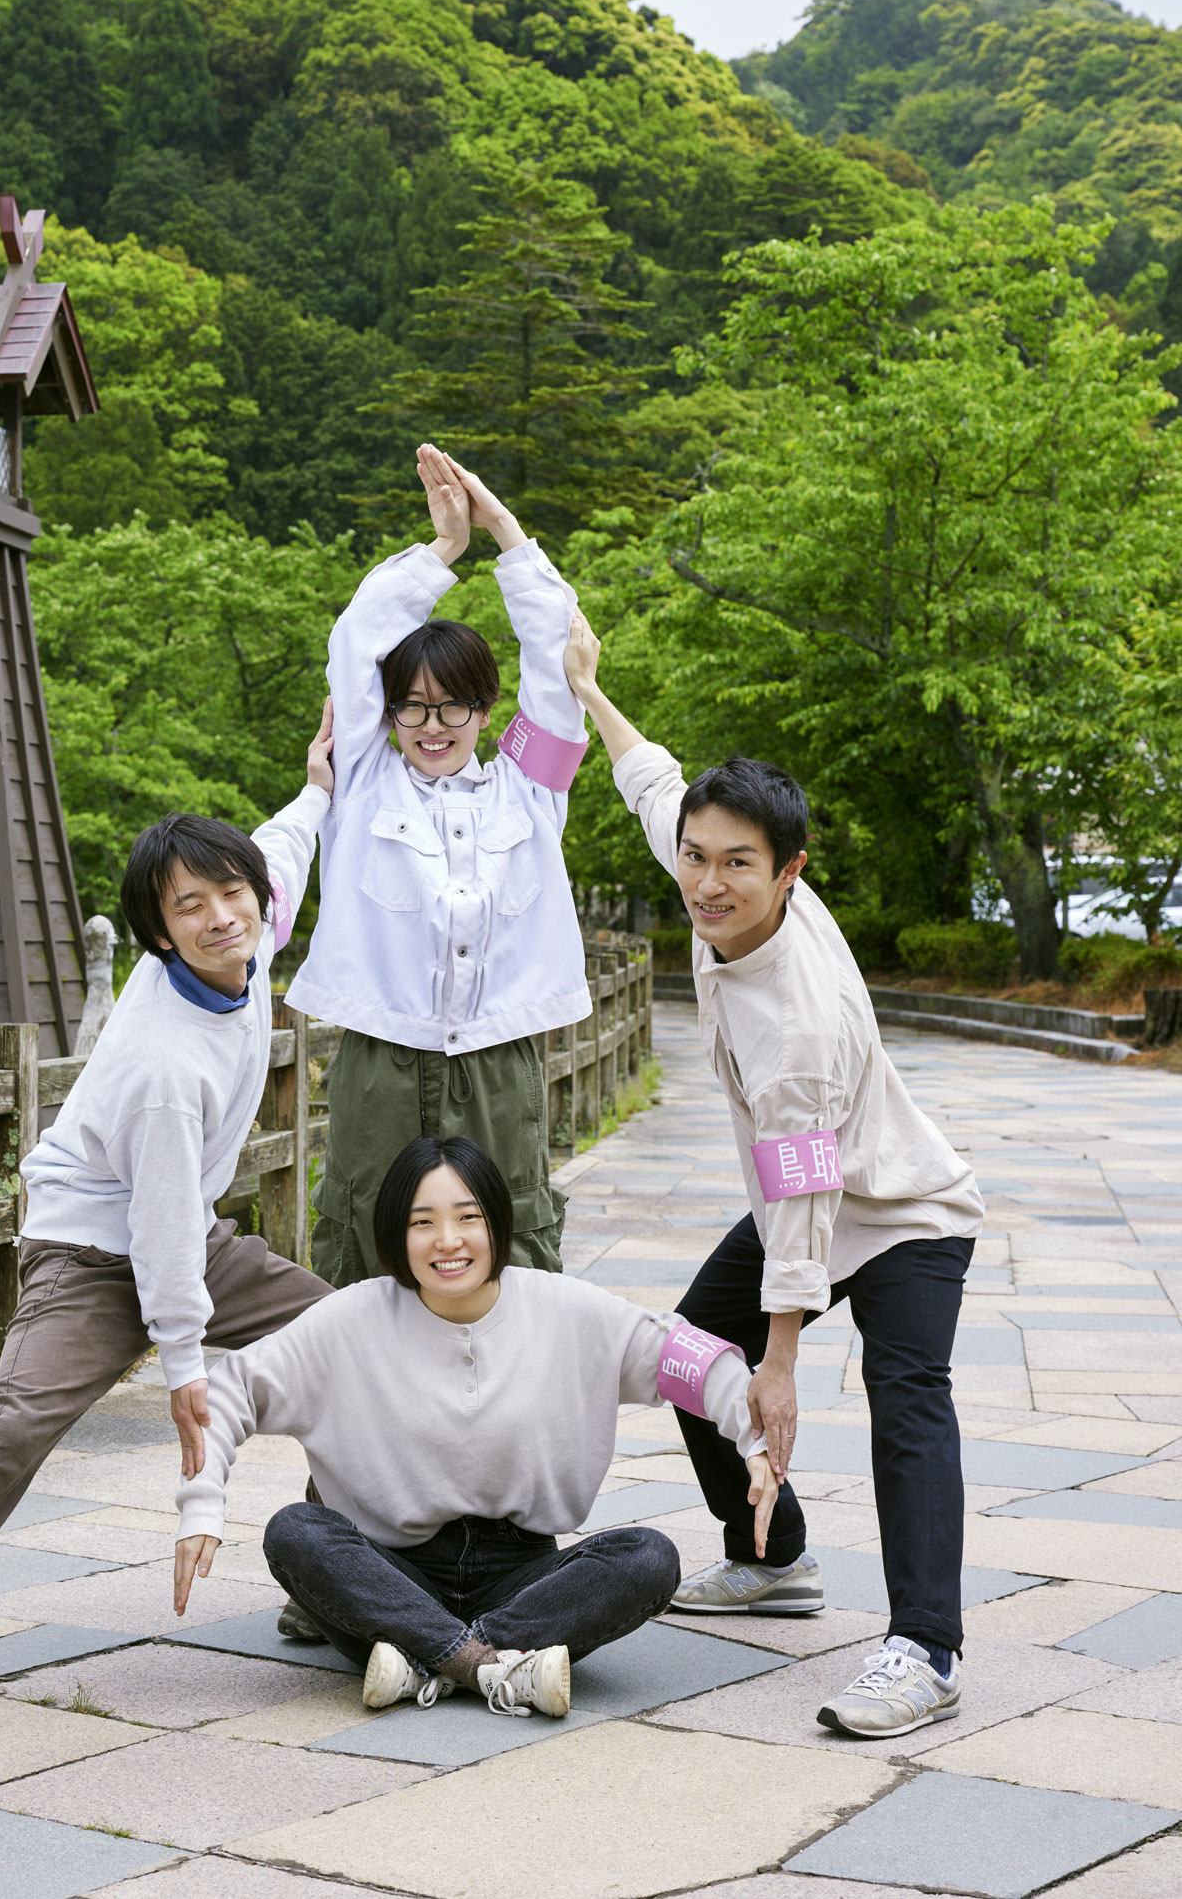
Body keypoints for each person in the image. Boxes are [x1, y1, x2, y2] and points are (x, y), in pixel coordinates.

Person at [0, 715, 337, 1762]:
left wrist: (320, 784)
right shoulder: (163, 1068)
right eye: (191, 907)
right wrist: (185, 1371)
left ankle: (329, 1575)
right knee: (14, 1429)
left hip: (185, 1231)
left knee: (353, 1342)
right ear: (158, 932)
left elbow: (286, 844)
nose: (222, 916)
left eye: (234, 895)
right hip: (95, 1252)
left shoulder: (250, 922)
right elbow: (159, 1238)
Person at [563, 614, 985, 1737]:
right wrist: (590, 691)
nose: (706, 883)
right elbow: (653, 782)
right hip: (805, 1198)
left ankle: (925, 1648)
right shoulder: (712, 869)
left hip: (899, 1210)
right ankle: (776, 1558)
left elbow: (803, 1191)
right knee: (693, 1358)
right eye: (697, 857)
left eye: (735, 865)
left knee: (907, 1403)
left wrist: (784, 1358)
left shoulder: (799, 1017)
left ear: (789, 873)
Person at [173, 1136, 776, 1718]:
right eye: (422, 1222)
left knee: (648, 1557)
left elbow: (687, 1356)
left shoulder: (562, 1309)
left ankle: (429, 1661)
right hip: (393, 1574)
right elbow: (228, 1393)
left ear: (496, 1224)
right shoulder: (350, 1320)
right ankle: (499, 1668)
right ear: (395, 1233)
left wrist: (753, 1441)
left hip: (524, 1578)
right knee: (295, 1532)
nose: (448, 1241)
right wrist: (202, 1505)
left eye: (467, 1217)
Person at [287, 442, 591, 1286]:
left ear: (484, 708)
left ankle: (504, 1406)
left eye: (453, 703)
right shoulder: (364, 780)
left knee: (510, 1235)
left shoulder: (530, 788)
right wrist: (442, 551)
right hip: (381, 1054)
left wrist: (503, 531)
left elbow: (555, 663)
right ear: (387, 712)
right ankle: (360, 1411)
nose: (433, 722)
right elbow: (356, 641)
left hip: (499, 1057)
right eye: (412, 705)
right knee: (366, 1237)